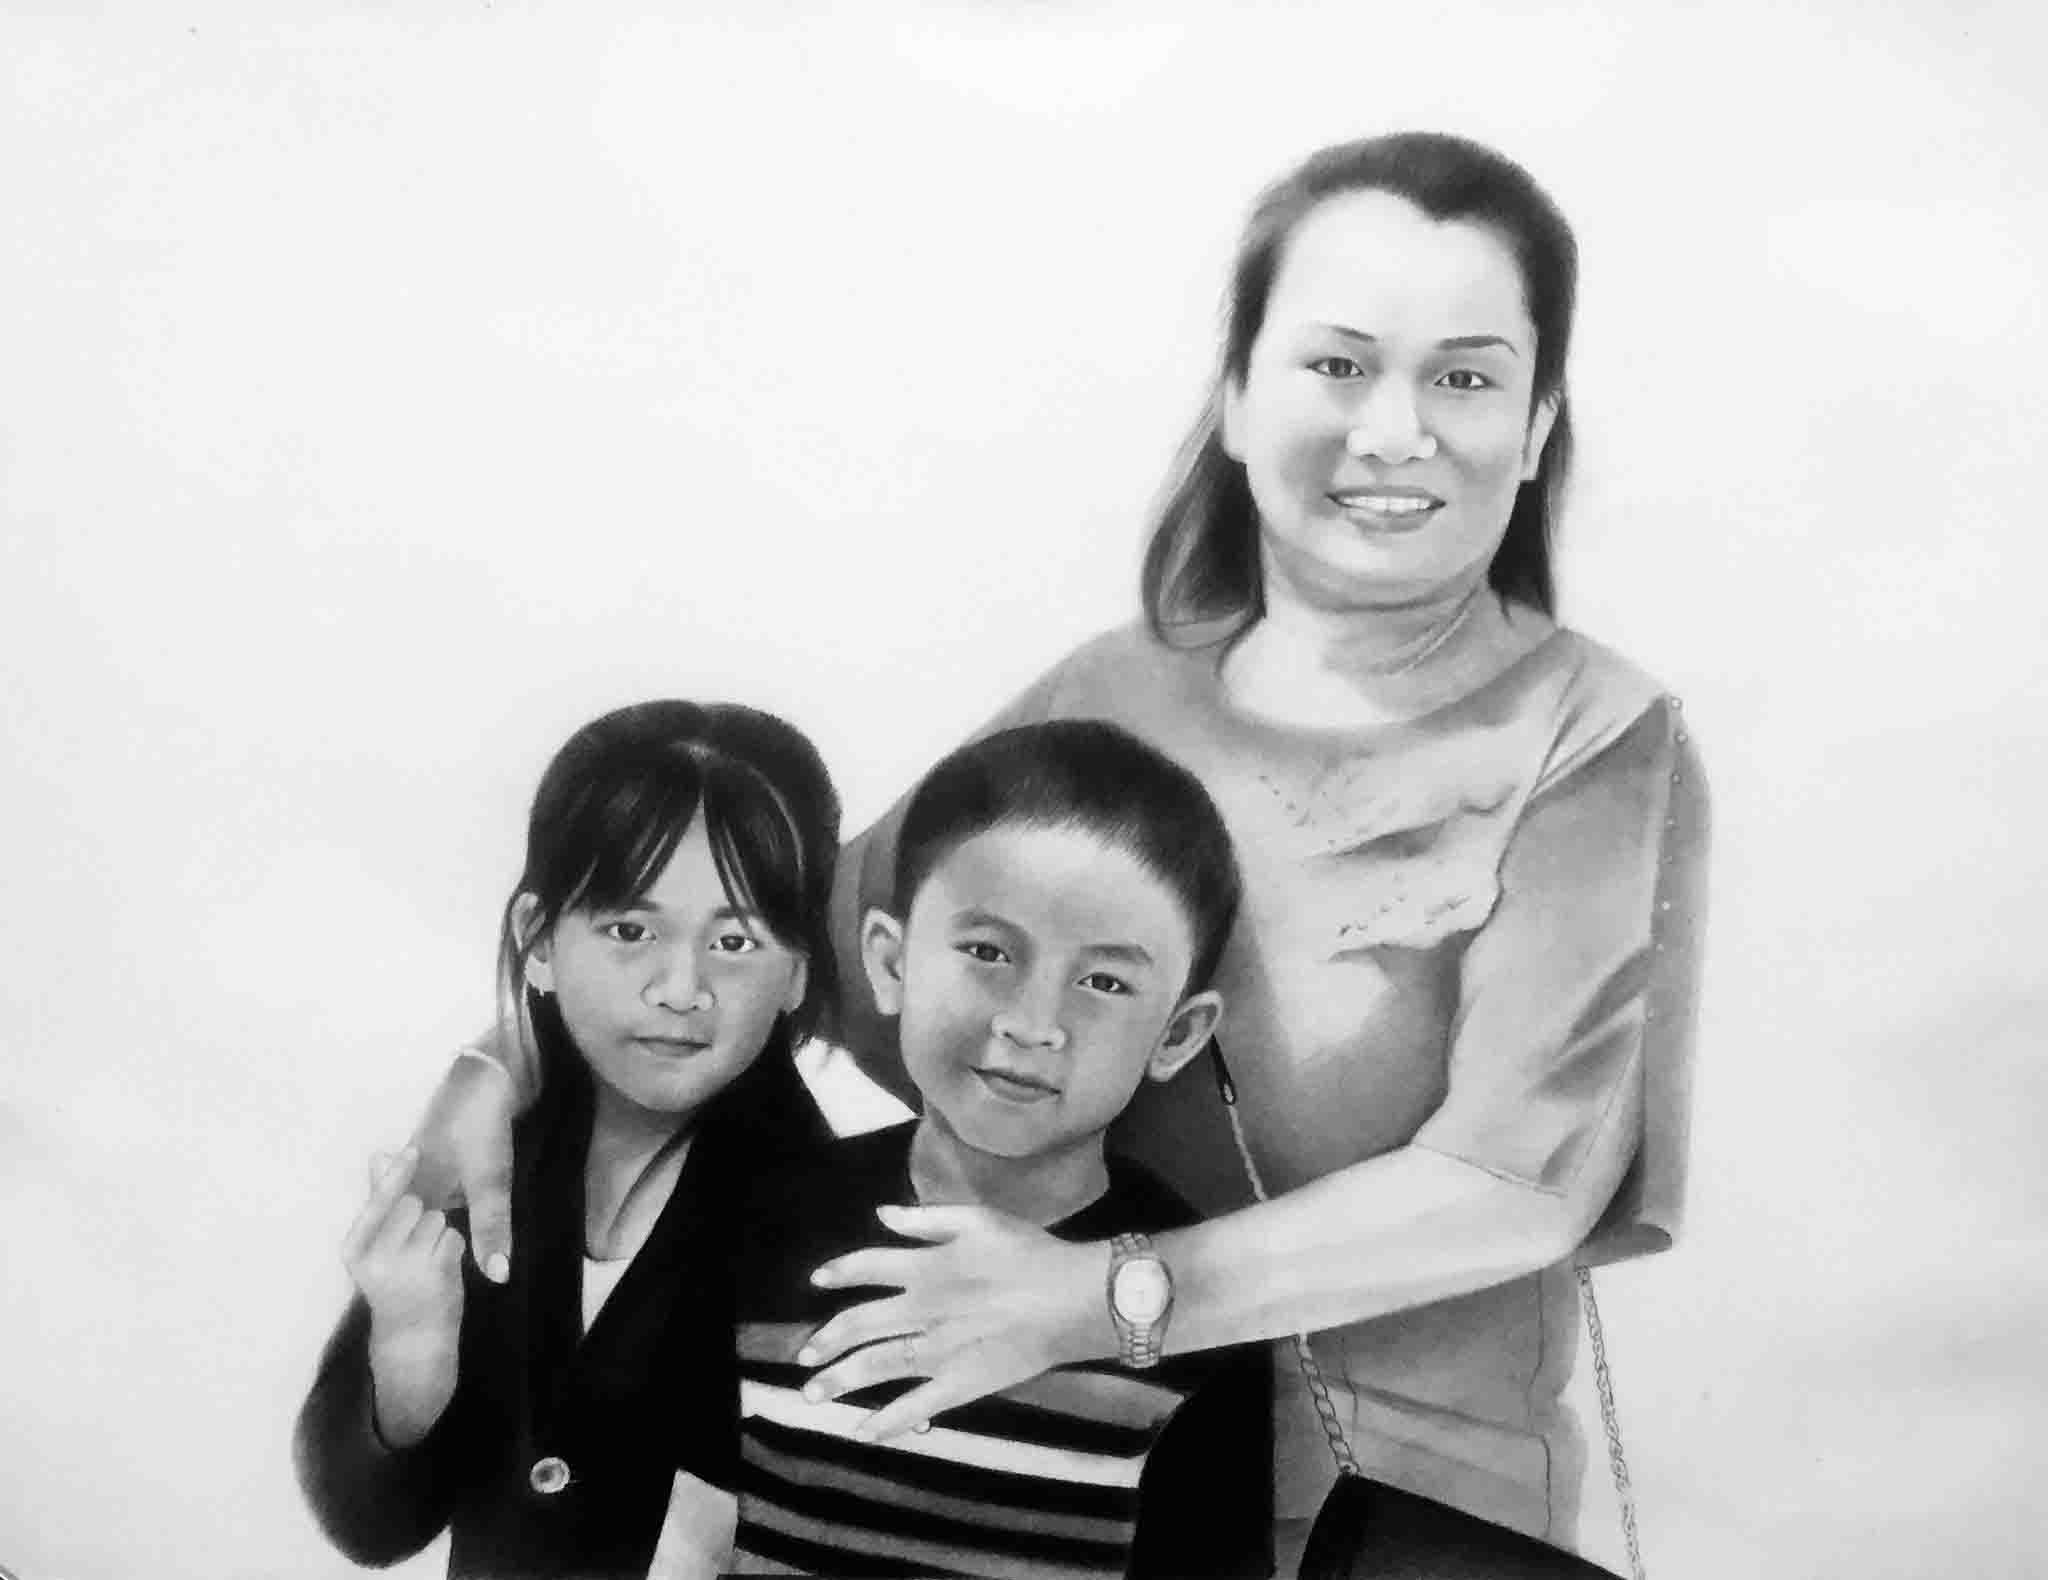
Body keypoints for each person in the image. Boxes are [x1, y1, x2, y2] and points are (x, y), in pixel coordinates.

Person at [408, 130, 1709, 1576]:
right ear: (1236, 397)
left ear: (1536, 425)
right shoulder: (1114, 689)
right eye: (1338, 364)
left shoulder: (1595, 739)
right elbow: (777, 935)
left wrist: (1098, 1300)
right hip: (1040, 1499)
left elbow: (1519, 1184)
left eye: (1463, 377)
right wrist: (502, 1057)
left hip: (1403, 1520)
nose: (1393, 430)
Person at [294, 701, 841, 1580]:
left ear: (798, 972)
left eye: (735, 940)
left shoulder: (826, 1223)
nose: (681, 987)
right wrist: (408, 1361)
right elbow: (368, 1527)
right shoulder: (491, 1144)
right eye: (630, 930)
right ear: (538, 938)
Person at [727, 720, 1271, 1578]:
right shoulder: (753, 1221)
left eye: (1104, 981)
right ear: (891, 962)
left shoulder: (1194, 1309)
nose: (1031, 1023)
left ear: (1177, 1034)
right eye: (987, 951)